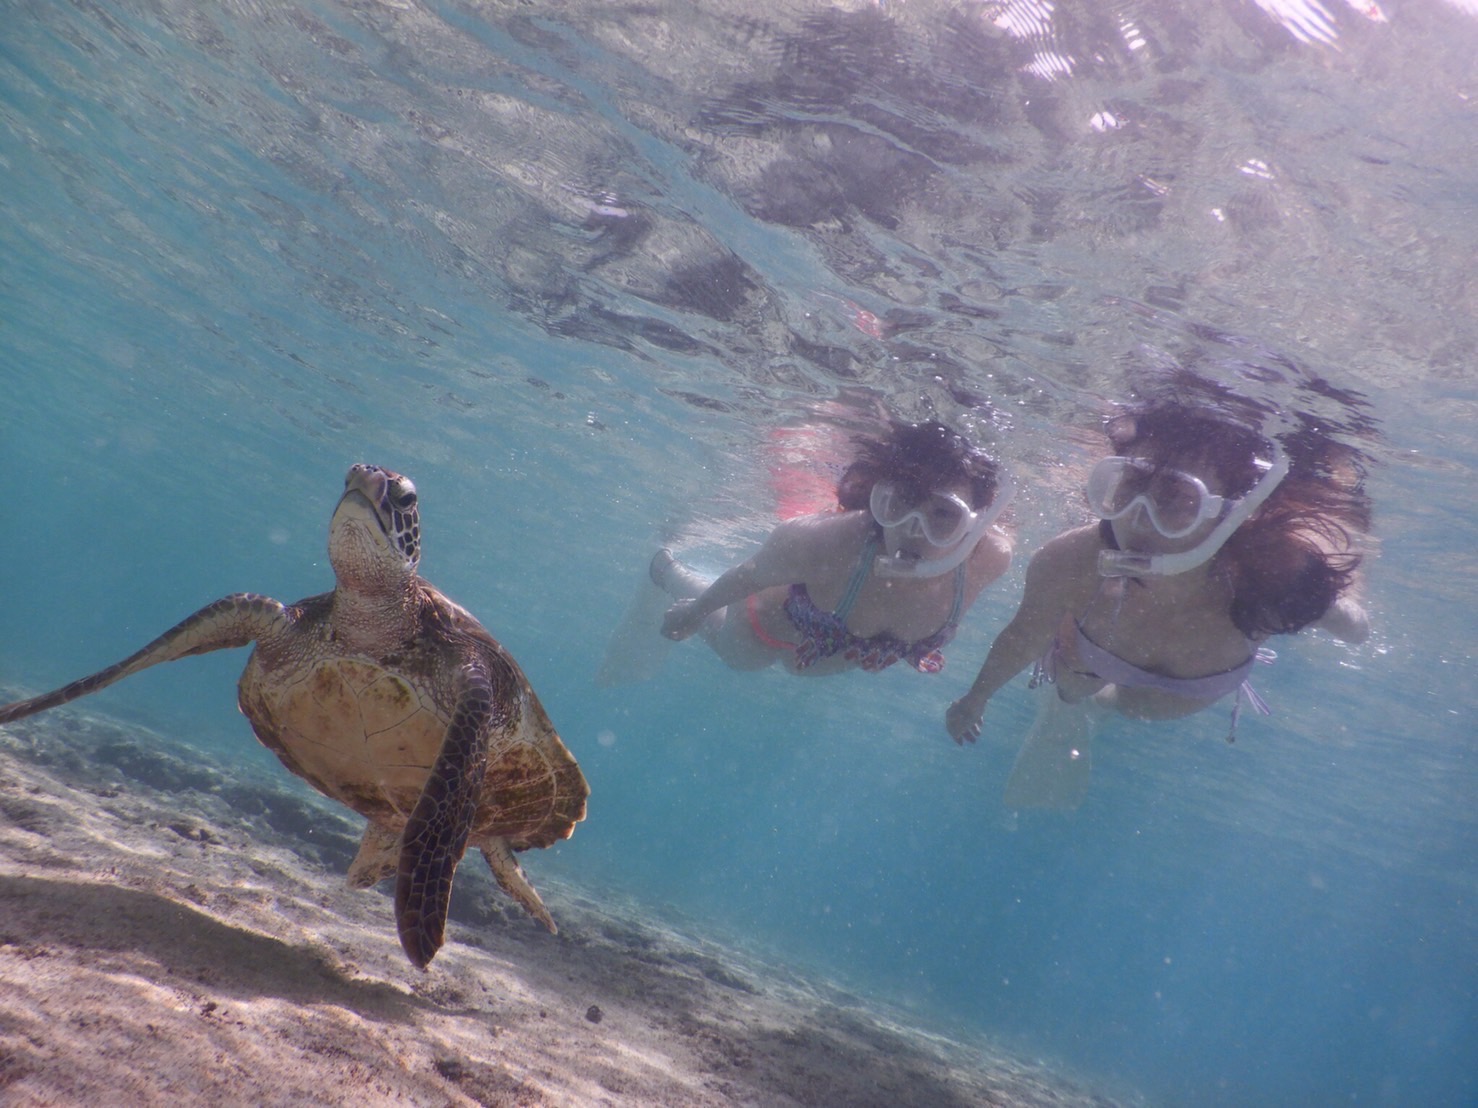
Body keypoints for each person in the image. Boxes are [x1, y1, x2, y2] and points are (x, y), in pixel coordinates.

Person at [944, 401, 1372, 806]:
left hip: (1191, 688)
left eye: (1177, 499)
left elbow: (1355, 627)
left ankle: (1095, 707)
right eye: (1130, 487)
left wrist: (1331, 609)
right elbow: (1024, 634)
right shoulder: (1072, 559)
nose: (1138, 517)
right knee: (1074, 684)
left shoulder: (1264, 571)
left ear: (1230, 512)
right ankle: (1071, 703)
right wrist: (976, 697)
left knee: (1123, 705)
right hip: (1089, 659)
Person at [653, 421, 1014, 677]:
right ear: (879, 498)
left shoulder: (989, 559)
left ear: (976, 523)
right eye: (901, 503)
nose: (911, 530)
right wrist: (696, 613)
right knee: (742, 661)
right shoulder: (826, 542)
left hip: (828, 654)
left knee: (804, 674)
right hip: (764, 626)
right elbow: (749, 575)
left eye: (944, 514)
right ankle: (669, 573)